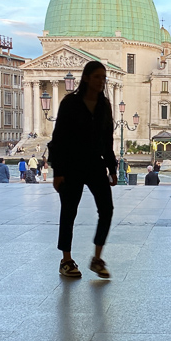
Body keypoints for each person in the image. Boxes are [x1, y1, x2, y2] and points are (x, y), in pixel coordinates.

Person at [49, 60, 118, 279]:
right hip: (71, 165)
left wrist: (112, 167)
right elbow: (58, 138)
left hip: (95, 164)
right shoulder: (70, 102)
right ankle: (66, 260)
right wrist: (58, 171)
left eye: (103, 77)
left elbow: (107, 140)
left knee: (107, 209)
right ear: (86, 78)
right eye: (97, 76)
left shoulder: (104, 104)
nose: (101, 81)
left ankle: (97, 258)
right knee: (69, 212)